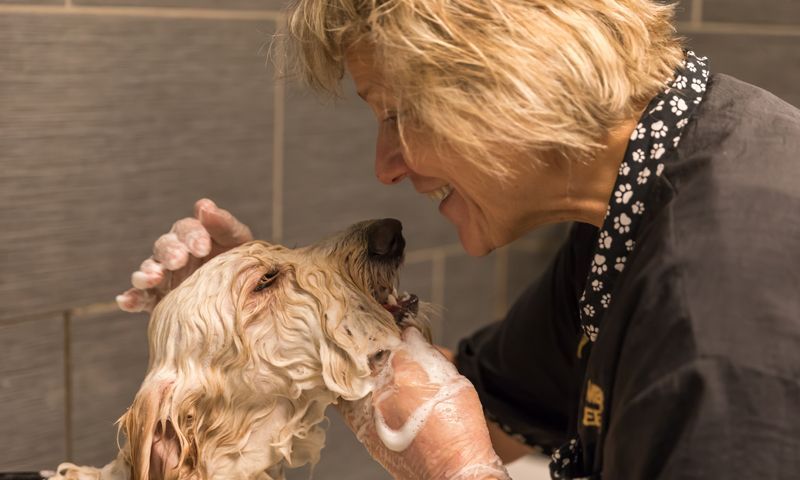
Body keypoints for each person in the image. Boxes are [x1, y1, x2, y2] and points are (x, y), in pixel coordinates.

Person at [117, 0, 800, 478]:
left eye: (398, 114)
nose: (385, 166)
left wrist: (458, 472)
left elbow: (465, 446)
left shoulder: (715, 325)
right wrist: (260, 329)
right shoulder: (639, 198)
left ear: (510, 83)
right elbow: (481, 405)